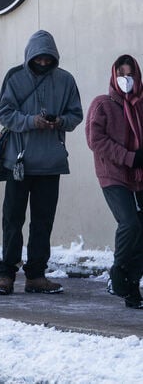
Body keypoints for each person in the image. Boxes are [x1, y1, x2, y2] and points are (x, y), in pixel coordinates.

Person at [0, 30, 83, 296]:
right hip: (18, 163)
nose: (43, 63)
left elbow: (76, 114)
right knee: (12, 219)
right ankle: (6, 274)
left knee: (43, 222)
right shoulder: (15, 77)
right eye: (38, 58)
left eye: (47, 59)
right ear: (30, 56)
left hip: (51, 163)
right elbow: (3, 113)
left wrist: (60, 122)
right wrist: (32, 121)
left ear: (54, 57)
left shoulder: (66, 80)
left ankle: (36, 275)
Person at [85, 54, 143, 309]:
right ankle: (118, 273)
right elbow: (95, 140)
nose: (126, 80)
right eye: (121, 75)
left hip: (140, 175)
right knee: (130, 223)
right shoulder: (103, 104)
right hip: (114, 174)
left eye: (130, 75)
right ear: (113, 76)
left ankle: (131, 287)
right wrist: (129, 157)